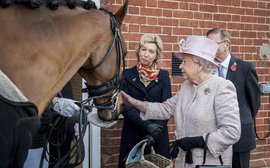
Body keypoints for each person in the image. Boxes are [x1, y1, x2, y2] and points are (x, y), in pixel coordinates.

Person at [121, 35, 241, 168]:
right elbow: (165, 109)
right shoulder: (186, 86)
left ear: (199, 65)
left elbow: (232, 132)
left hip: (209, 163)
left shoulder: (222, 87)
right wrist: (133, 102)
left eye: (184, 61)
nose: (180, 66)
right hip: (184, 162)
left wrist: (196, 141)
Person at [206, 28, 261, 168]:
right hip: (213, 136)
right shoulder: (206, 69)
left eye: (213, 44)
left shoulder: (245, 68)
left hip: (240, 137)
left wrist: (240, 118)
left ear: (227, 45)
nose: (209, 48)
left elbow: (254, 102)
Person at [118, 34, 172, 168]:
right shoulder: (127, 75)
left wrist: (153, 133)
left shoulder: (164, 76)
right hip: (133, 133)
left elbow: (166, 107)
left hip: (157, 135)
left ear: (156, 55)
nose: (146, 54)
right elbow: (125, 106)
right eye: (144, 49)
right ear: (138, 51)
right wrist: (146, 126)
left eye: (151, 51)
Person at [24, 82, 80, 168]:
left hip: (64, 135)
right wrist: (54, 103)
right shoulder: (41, 79)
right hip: (45, 135)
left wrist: (76, 124)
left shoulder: (66, 83)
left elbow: (70, 100)